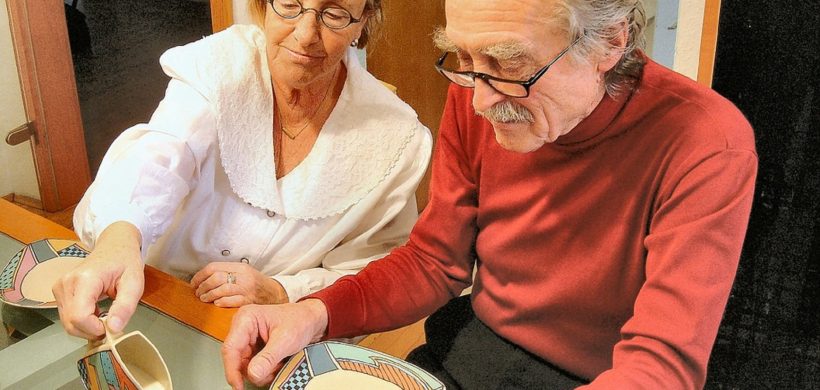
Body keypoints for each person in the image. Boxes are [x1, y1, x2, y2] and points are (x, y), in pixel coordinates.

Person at [221, 0, 757, 388]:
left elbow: (662, 364)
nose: (478, 101)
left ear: (611, 42)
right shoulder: (480, 88)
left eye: (511, 64)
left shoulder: (706, 142)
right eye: (464, 59)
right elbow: (434, 261)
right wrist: (314, 312)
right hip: (475, 345)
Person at [52, 0, 432, 340]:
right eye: (289, 4)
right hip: (150, 292)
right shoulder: (220, 65)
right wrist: (119, 240)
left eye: (333, 14)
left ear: (363, 19)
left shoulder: (396, 137)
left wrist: (281, 292)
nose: (304, 35)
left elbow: (371, 272)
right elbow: (162, 153)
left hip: (271, 332)